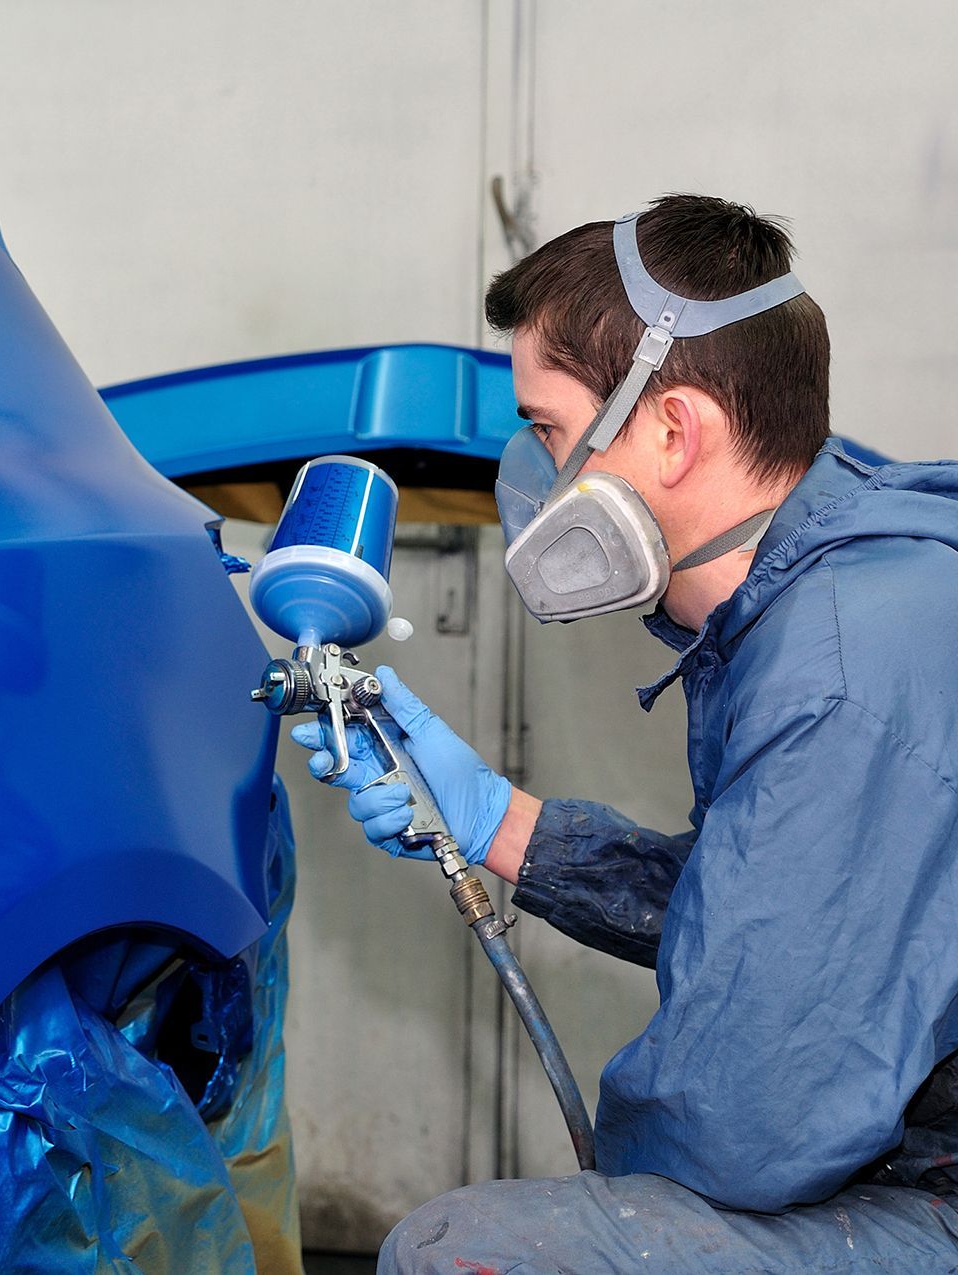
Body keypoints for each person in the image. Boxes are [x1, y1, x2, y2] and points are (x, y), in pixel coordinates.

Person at [295, 194, 958, 1273]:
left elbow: (747, 1123)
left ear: (673, 430)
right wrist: (495, 821)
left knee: (469, 1251)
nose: (531, 475)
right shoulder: (826, 599)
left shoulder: (839, 665)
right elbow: (772, 910)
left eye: (548, 430)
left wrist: (613, 1183)